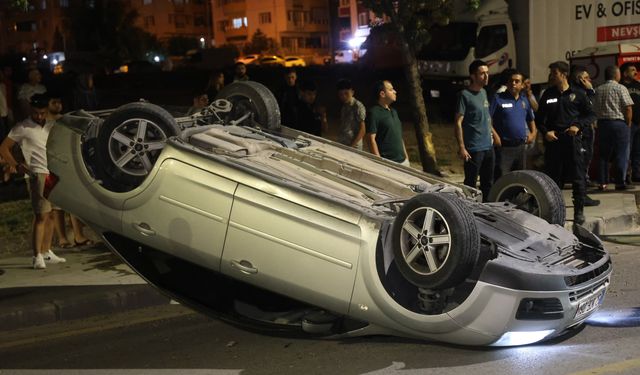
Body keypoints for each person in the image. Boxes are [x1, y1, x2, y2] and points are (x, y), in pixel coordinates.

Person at [0, 94, 65, 269]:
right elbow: (4, 147)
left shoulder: (52, 125)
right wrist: (15, 164)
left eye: (42, 113)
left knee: (52, 213)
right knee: (41, 215)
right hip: (37, 174)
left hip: (54, 173)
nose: (39, 116)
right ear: (31, 110)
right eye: (36, 113)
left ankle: (46, 251)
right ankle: (36, 256)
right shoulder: (22, 127)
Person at [537, 61, 596, 225]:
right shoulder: (548, 94)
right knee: (553, 179)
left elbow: (590, 115)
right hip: (554, 141)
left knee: (578, 177)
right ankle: (555, 212)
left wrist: (577, 125)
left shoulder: (578, 93)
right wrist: (545, 132)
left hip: (572, 140)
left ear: (563, 74)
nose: (551, 76)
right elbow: (539, 118)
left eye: (554, 73)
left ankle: (579, 212)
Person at [46, 92, 94, 248]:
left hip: (67, 162)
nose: (58, 105)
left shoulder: (65, 120)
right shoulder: (43, 122)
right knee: (56, 205)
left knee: (73, 202)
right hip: (50, 163)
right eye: (54, 102)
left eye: (59, 102)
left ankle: (78, 235)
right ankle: (62, 238)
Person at [455, 60, 500, 200]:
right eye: (482, 73)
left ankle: (487, 211)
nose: (486, 76)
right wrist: (462, 147)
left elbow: (486, 117)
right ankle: (469, 213)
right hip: (474, 148)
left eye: (487, 73)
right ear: (473, 76)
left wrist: (495, 134)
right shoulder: (464, 95)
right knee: (471, 184)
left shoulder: (484, 92)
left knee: (488, 183)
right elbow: (458, 122)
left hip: (488, 147)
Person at [490, 70, 536, 180]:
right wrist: (495, 136)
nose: (513, 83)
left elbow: (530, 119)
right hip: (504, 147)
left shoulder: (524, 100)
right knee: (502, 178)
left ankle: (516, 197)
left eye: (517, 81)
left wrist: (533, 133)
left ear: (522, 85)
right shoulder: (498, 98)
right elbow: (487, 119)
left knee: (520, 178)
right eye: (511, 81)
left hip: (521, 146)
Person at [594, 65, 634, 191]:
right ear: (616, 75)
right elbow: (628, 107)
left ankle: (603, 182)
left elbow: (594, 109)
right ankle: (619, 182)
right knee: (621, 153)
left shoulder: (598, 89)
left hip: (603, 124)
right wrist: (628, 123)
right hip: (619, 123)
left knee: (603, 155)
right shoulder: (621, 88)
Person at [569, 66, 600, 206]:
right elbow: (592, 109)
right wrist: (590, 91)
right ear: (581, 79)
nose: (590, 80)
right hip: (583, 133)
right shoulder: (581, 92)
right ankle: (582, 197)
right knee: (582, 165)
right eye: (587, 78)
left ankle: (581, 194)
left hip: (582, 131)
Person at [366, 80, 410, 166]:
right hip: (388, 163)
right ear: (382, 94)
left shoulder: (394, 112)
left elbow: (399, 137)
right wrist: (379, 162)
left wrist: (406, 157)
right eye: (391, 90)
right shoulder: (374, 112)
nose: (395, 91)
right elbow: (371, 139)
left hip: (403, 162)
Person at [620, 62, 640, 182]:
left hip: (639, 123)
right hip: (627, 123)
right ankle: (626, 175)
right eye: (632, 70)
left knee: (638, 151)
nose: (636, 72)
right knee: (627, 150)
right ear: (625, 73)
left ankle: (637, 174)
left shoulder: (638, 85)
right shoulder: (621, 86)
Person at [336, 78, 366, 150]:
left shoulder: (358, 106)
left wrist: (351, 147)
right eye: (341, 94)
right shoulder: (344, 106)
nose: (343, 96)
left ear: (352, 92)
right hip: (343, 142)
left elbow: (363, 130)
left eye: (346, 93)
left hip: (354, 146)